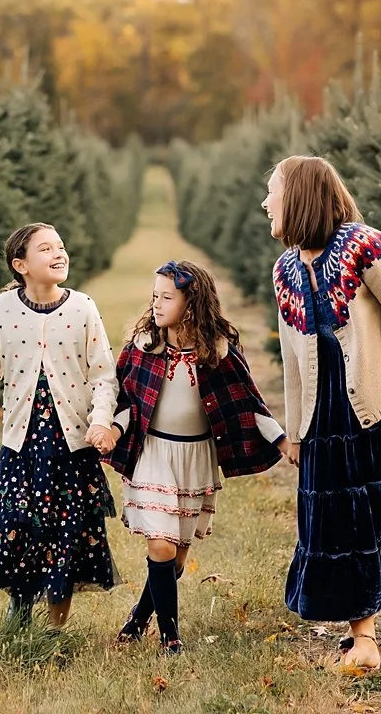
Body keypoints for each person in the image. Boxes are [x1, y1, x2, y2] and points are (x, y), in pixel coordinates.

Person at [263, 155, 381, 673]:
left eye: (273, 193)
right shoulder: (284, 269)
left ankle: (363, 638)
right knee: (327, 520)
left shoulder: (364, 246)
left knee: (369, 514)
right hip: (326, 412)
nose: (265, 204)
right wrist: (298, 432)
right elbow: (291, 359)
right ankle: (359, 632)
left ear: (299, 197)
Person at [0, 224, 122, 629]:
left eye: (61, 247)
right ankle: (20, 608)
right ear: (21, 265)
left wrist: (101, 421)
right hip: (24, 445)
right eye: (45, 249)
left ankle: (55, 626)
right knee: (19, 523)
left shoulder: (83, 308)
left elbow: (103, 375)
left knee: (68, 527)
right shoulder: (4, 310)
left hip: (71, 444)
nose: (59, 254)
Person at [102, 259, 285, 656]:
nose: (156, 304)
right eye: (154, 296)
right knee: (161, 548)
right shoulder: (143, 349)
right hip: (154, 453)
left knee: (176, 559)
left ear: (193, 302)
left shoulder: (217, 352)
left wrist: (284, 443)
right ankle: (171, 639)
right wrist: (113, 431)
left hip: (195, 457)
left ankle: (138, 617)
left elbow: (250, 405)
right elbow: (122, 401)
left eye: (167, 297)